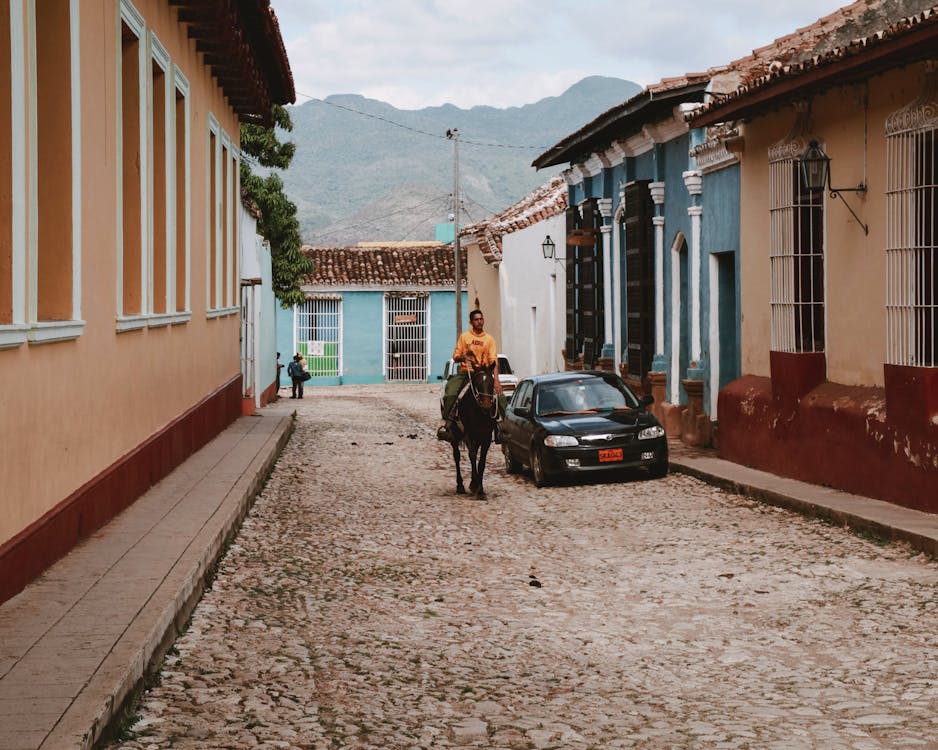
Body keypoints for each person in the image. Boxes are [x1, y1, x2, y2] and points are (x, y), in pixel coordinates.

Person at [437, 309, 507, 441]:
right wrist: (462, 357)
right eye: (476, 319)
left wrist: (496, 381)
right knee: (451, 393)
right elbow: (456, 356)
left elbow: (494, 361)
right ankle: (447, 425)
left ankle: (503, 428)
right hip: (466, 372)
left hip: (484, 373)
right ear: (471, 322)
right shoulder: (464, 337)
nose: (479, 322)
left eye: (481, 319)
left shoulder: (489, 339)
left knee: (500, 397)